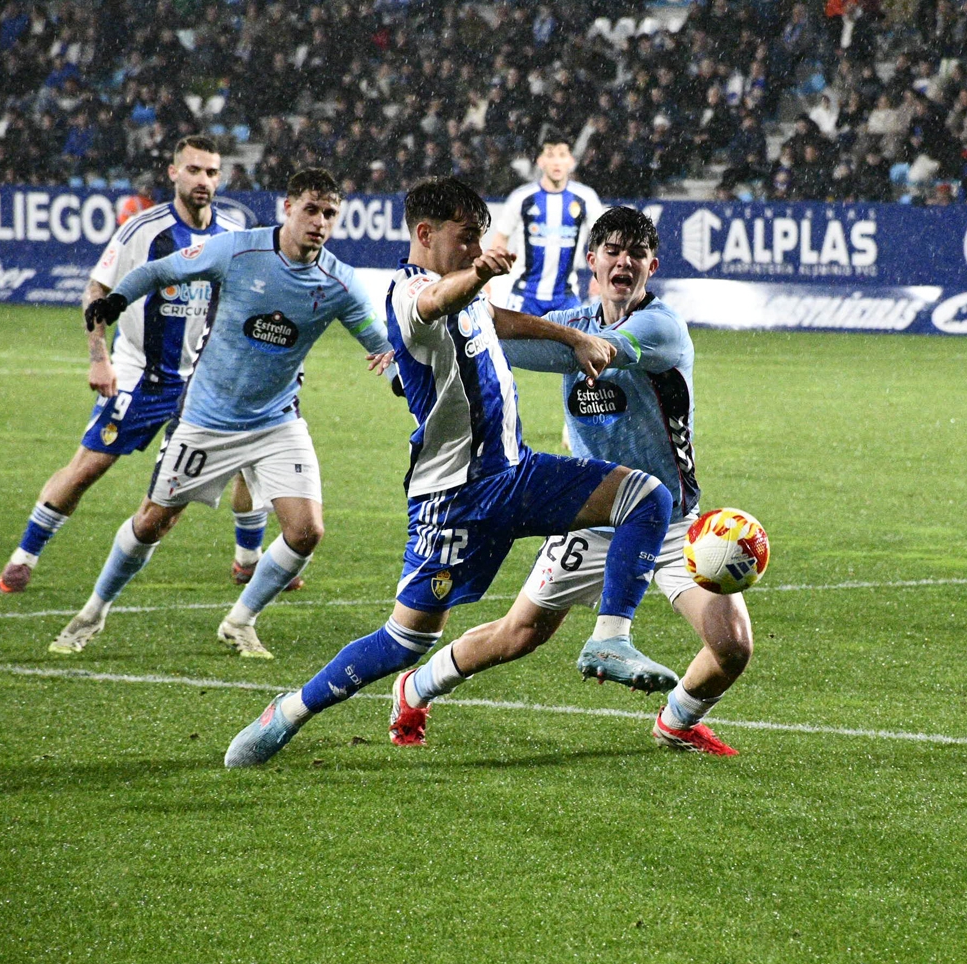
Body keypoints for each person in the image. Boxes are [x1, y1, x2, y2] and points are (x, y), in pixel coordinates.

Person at [223, 178, 679, 768]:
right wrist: (480, 272)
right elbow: (437, 301)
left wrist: (572, 337)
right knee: (404, 642)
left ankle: (610, 640)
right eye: (465, 239)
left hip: (515, 472)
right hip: (455, 497)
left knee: (645, 497)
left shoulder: (466, 293)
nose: (473, 250)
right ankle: (288, 712)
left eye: (479, 241)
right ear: (425, 233)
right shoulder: (409, 295)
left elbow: (497, 318)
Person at [388, 207, 753, 757]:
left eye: (636, 254)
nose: (623, 262)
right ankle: (415, 688)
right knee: (519, 635)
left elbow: (600, 351)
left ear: (652, 267)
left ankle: (677, 720)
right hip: (594, 515)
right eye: (613, 251)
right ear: (592, 261)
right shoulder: (569, 324)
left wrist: (558, 340)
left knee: (732, 646)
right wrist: (414, 349)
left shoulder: (662, 329)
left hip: (672, 519)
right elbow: (485, 335)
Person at [48, 168, 394, 659]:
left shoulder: (340, 283)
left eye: (330, 214)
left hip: (276, 422)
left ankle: (240, 621)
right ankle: (92, 613)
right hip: (206, 418)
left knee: (306, 531)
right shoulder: (237, 250)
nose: (320, 222)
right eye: (311, 210)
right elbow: (162, 271)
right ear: (288, 208)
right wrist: (119, 297)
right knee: (152, 523)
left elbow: (380, 345)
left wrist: (403, 377)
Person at [0, 135, 282, 594]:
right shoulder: (142, 230)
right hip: (141, 376)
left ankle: (248, 560)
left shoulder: (232, 234)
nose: (203, 180)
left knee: (251, 458)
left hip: (205, 381)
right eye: (193, 170)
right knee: (88, 467)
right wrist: (99, 359)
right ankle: (23, 557)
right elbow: (97, 290)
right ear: (173, 172)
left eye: (211, 172)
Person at [490, 138, 605, 317]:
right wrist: (487, 278)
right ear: (540, 161)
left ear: (571, 161)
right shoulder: (522, 197)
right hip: (524, 296)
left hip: (566, 296)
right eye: (550, 155)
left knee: (579, 335)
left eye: (562, 155)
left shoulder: (585, 197)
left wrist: (600, 274)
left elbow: (604, 239)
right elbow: (501, 237)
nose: (556, 162)